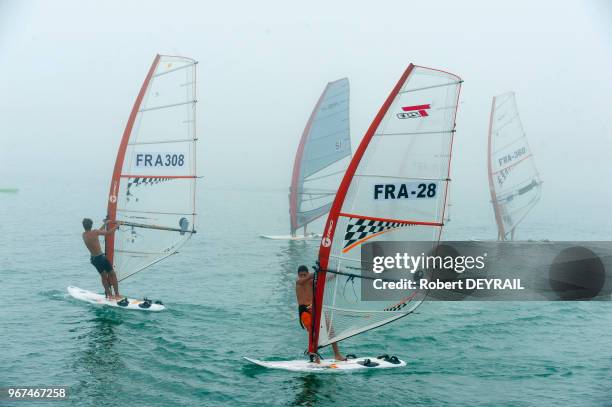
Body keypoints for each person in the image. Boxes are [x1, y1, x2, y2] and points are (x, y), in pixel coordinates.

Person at [295, 265, 345, 362]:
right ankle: (315, 357)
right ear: (298, 275)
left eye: (304, 275)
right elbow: (304, 279)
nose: (302, 277)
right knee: (313, 333)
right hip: (305, 311)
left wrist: (335, 274)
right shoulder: (298, 282)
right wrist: (316, 273)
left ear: (307, 273)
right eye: (301, 275)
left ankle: (337, 355)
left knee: (330, 330)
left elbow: (324, 280)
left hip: (316, 308)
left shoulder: (311, 281)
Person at [82, 218, 121, 300]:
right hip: (101, 258)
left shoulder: (84, 235)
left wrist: (105, 224)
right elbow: (108, 233)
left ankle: (109, 295)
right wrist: (117, 225)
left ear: (84, 226)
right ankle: (117, 295)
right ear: (91, 225)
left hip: (94, 259)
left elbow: (98, 232)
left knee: (103, 276)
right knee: (112, 274)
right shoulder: (95, 232)